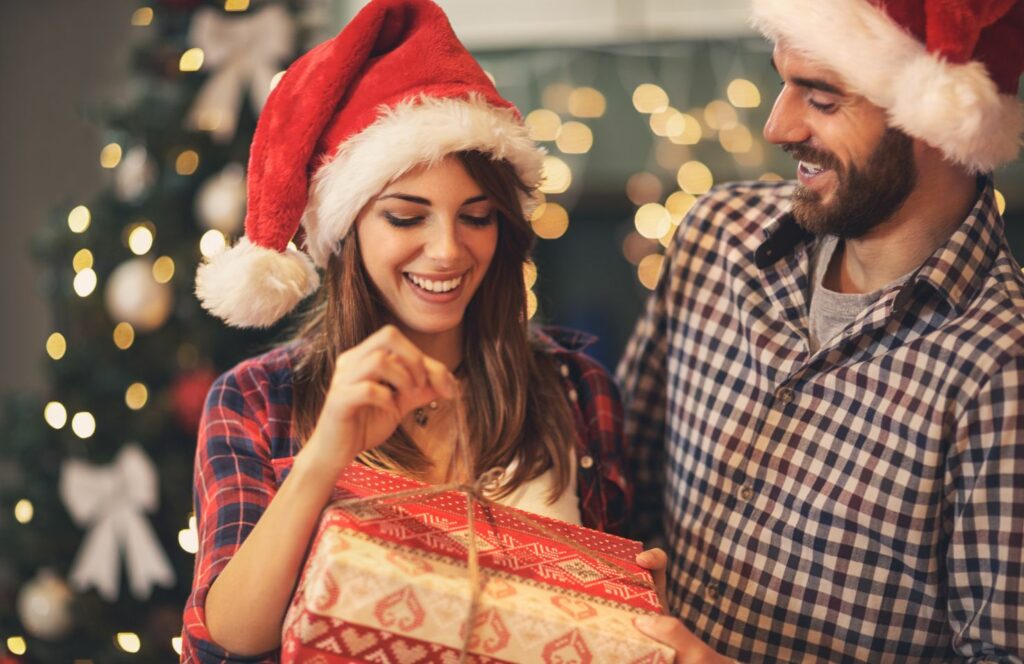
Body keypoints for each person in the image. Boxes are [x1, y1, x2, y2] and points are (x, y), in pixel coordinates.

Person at [179, 1, 628, 660]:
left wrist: (630, 605)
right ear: (349, 227)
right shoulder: (255, 400)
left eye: (476, 216)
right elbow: (230, 641)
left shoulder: (576, 388)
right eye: (406, 217)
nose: (447, 250)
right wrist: (324, 455)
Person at [623, 0, 1024, 662]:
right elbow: (622, 483)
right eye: (784, 82)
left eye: (824, 99)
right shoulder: (718, 235)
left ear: (930, 118)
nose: (779, 125)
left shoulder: (1002, 370)